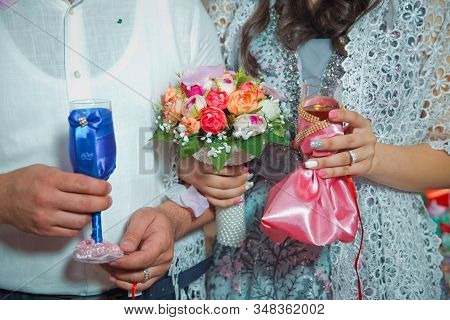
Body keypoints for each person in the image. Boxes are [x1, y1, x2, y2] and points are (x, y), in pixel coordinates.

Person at [181, 0, 449, 299]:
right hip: (254, 247)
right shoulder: (233, 6)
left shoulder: (428, 9)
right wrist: (198, 165)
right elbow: (195, 117)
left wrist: (373, 159)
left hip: (376, 245)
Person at [0, 0, 238, 300]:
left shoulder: (179, 10)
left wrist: (173, 219)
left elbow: (225, 171)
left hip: (163, 291)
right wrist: (4, 197)